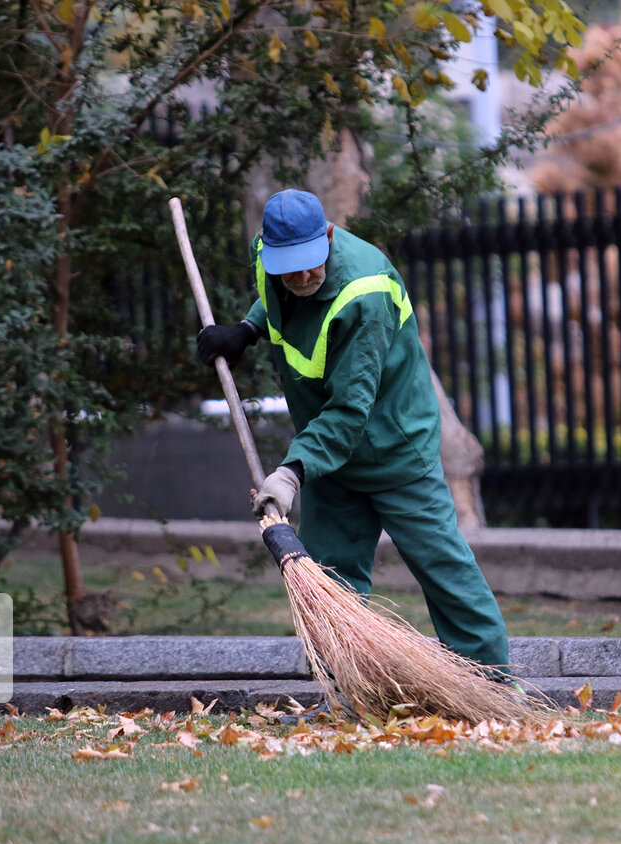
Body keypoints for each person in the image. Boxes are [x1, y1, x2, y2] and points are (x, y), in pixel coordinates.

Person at [196, 188, 510, 674]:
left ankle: (491, 683)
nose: (301, 276)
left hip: (393, 448)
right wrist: (247, 328)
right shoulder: (271, 258)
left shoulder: (363, 291)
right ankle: (347, 691)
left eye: (310, 263)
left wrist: (292, 471)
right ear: (268, 247)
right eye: (289, 266)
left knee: (443, 569)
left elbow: (348, 411)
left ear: (327, 235)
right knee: (328, 577)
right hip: (330, 456)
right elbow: (278, 300)